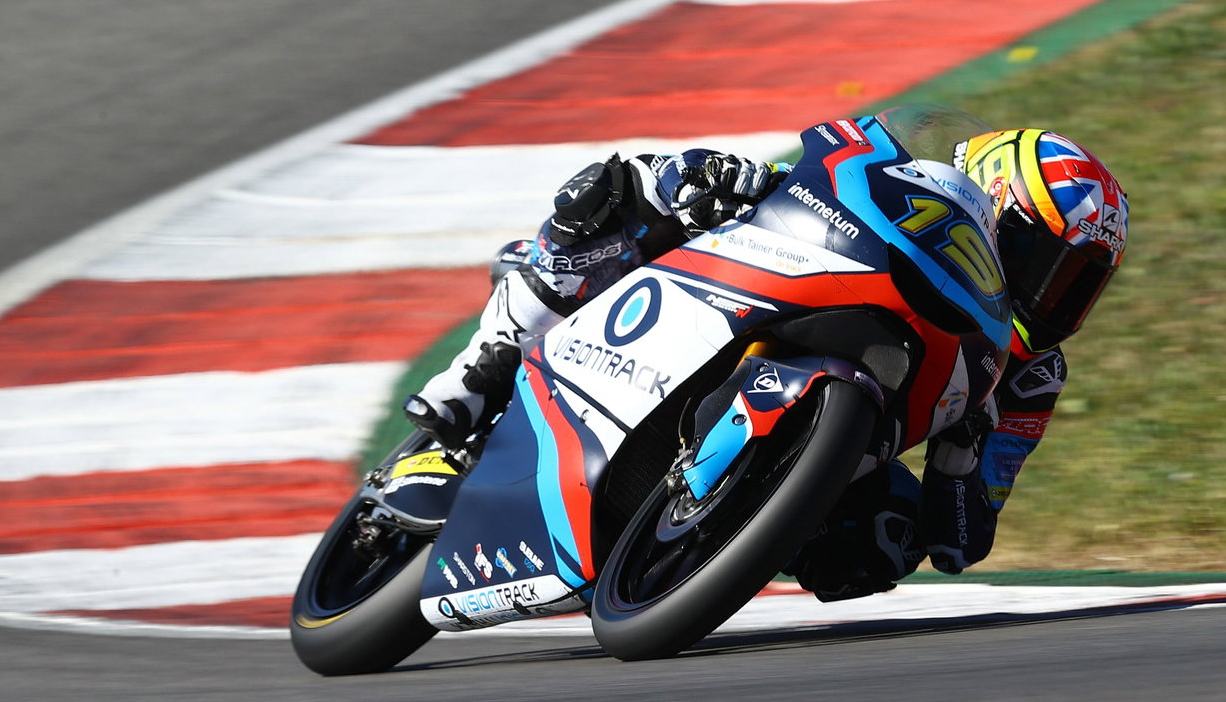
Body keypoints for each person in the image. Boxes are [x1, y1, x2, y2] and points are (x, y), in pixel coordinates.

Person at [405, 123, 1129, 600]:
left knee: (889, 537)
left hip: (848, 432)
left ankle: (716, 542)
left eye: (1075, 285)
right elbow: (817, 184)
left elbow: (962, 543)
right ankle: (470, 388)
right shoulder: (910, 192)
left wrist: (962, 459)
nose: (1052, 297)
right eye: (1045, 263)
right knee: (630, 186)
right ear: (995, 209)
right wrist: (730, 181)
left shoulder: (1030, 377)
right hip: (719, 286)